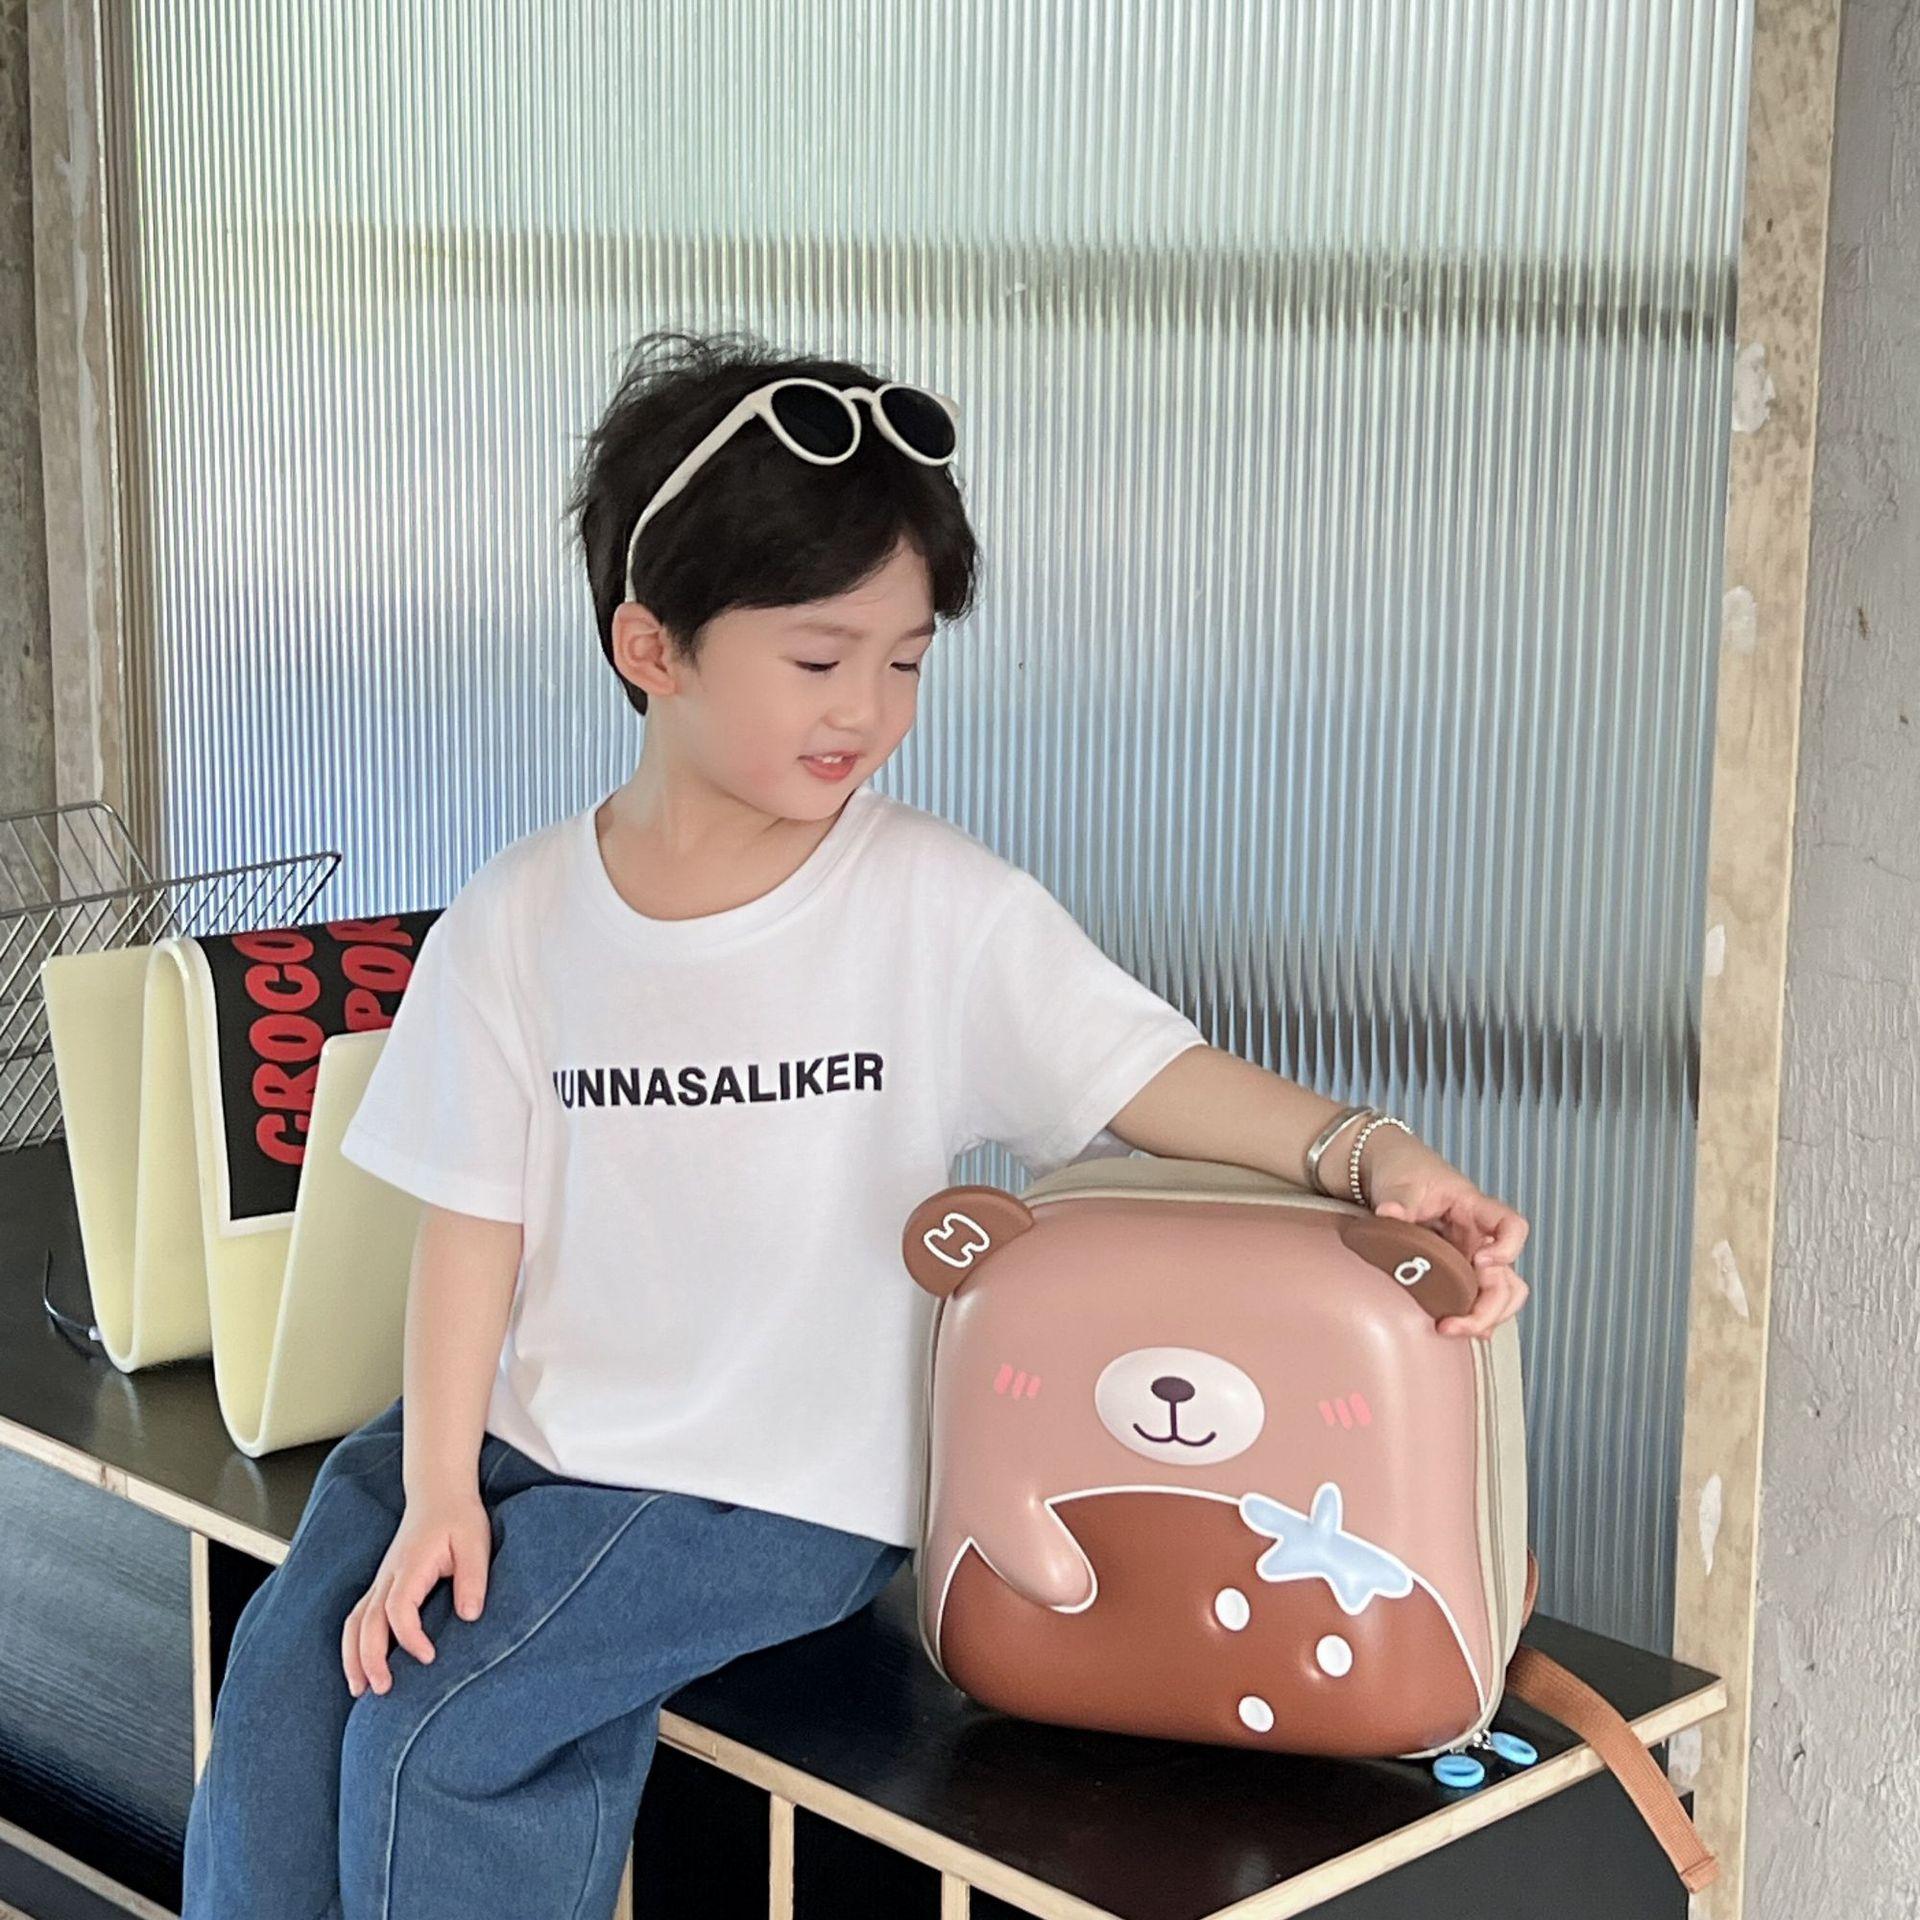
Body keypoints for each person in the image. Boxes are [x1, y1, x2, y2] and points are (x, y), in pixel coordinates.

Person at [182, 326, 1530, 1919]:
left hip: (765, 1489)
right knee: (287, 1675)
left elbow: (1141, 1076)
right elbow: (474, 1220)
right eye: (821, 661)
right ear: (653, 646)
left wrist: (1369, 1154)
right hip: (530, 1435)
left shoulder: (932, 907)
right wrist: (436, 1490)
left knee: (442, 1729)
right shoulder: (520, 916)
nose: (870, 712)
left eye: (905, 661)